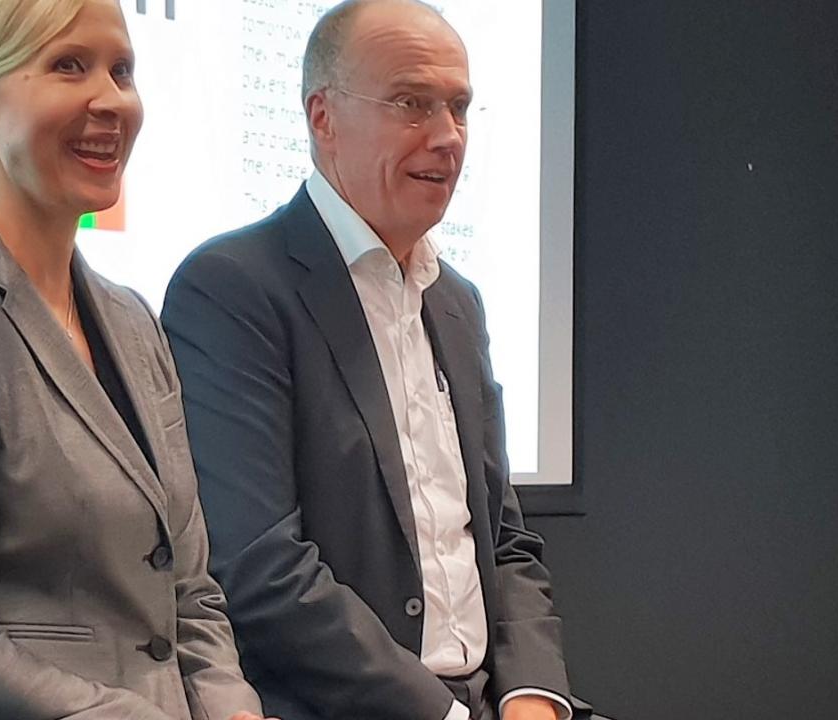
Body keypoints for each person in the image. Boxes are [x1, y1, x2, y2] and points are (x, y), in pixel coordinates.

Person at [162, 2, 600, 719]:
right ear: (321, 117)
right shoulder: (235, 288)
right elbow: (259, 568)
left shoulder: (456, 302)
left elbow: (504, 541)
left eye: (459, 108)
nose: (448, 137)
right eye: (411, 103)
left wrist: (532, 694)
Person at [0, 1, 267, 718]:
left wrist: (232, 707)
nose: (114, 100)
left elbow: (188, 591)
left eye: (122, 70)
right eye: (70, 65)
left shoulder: (133, 320)